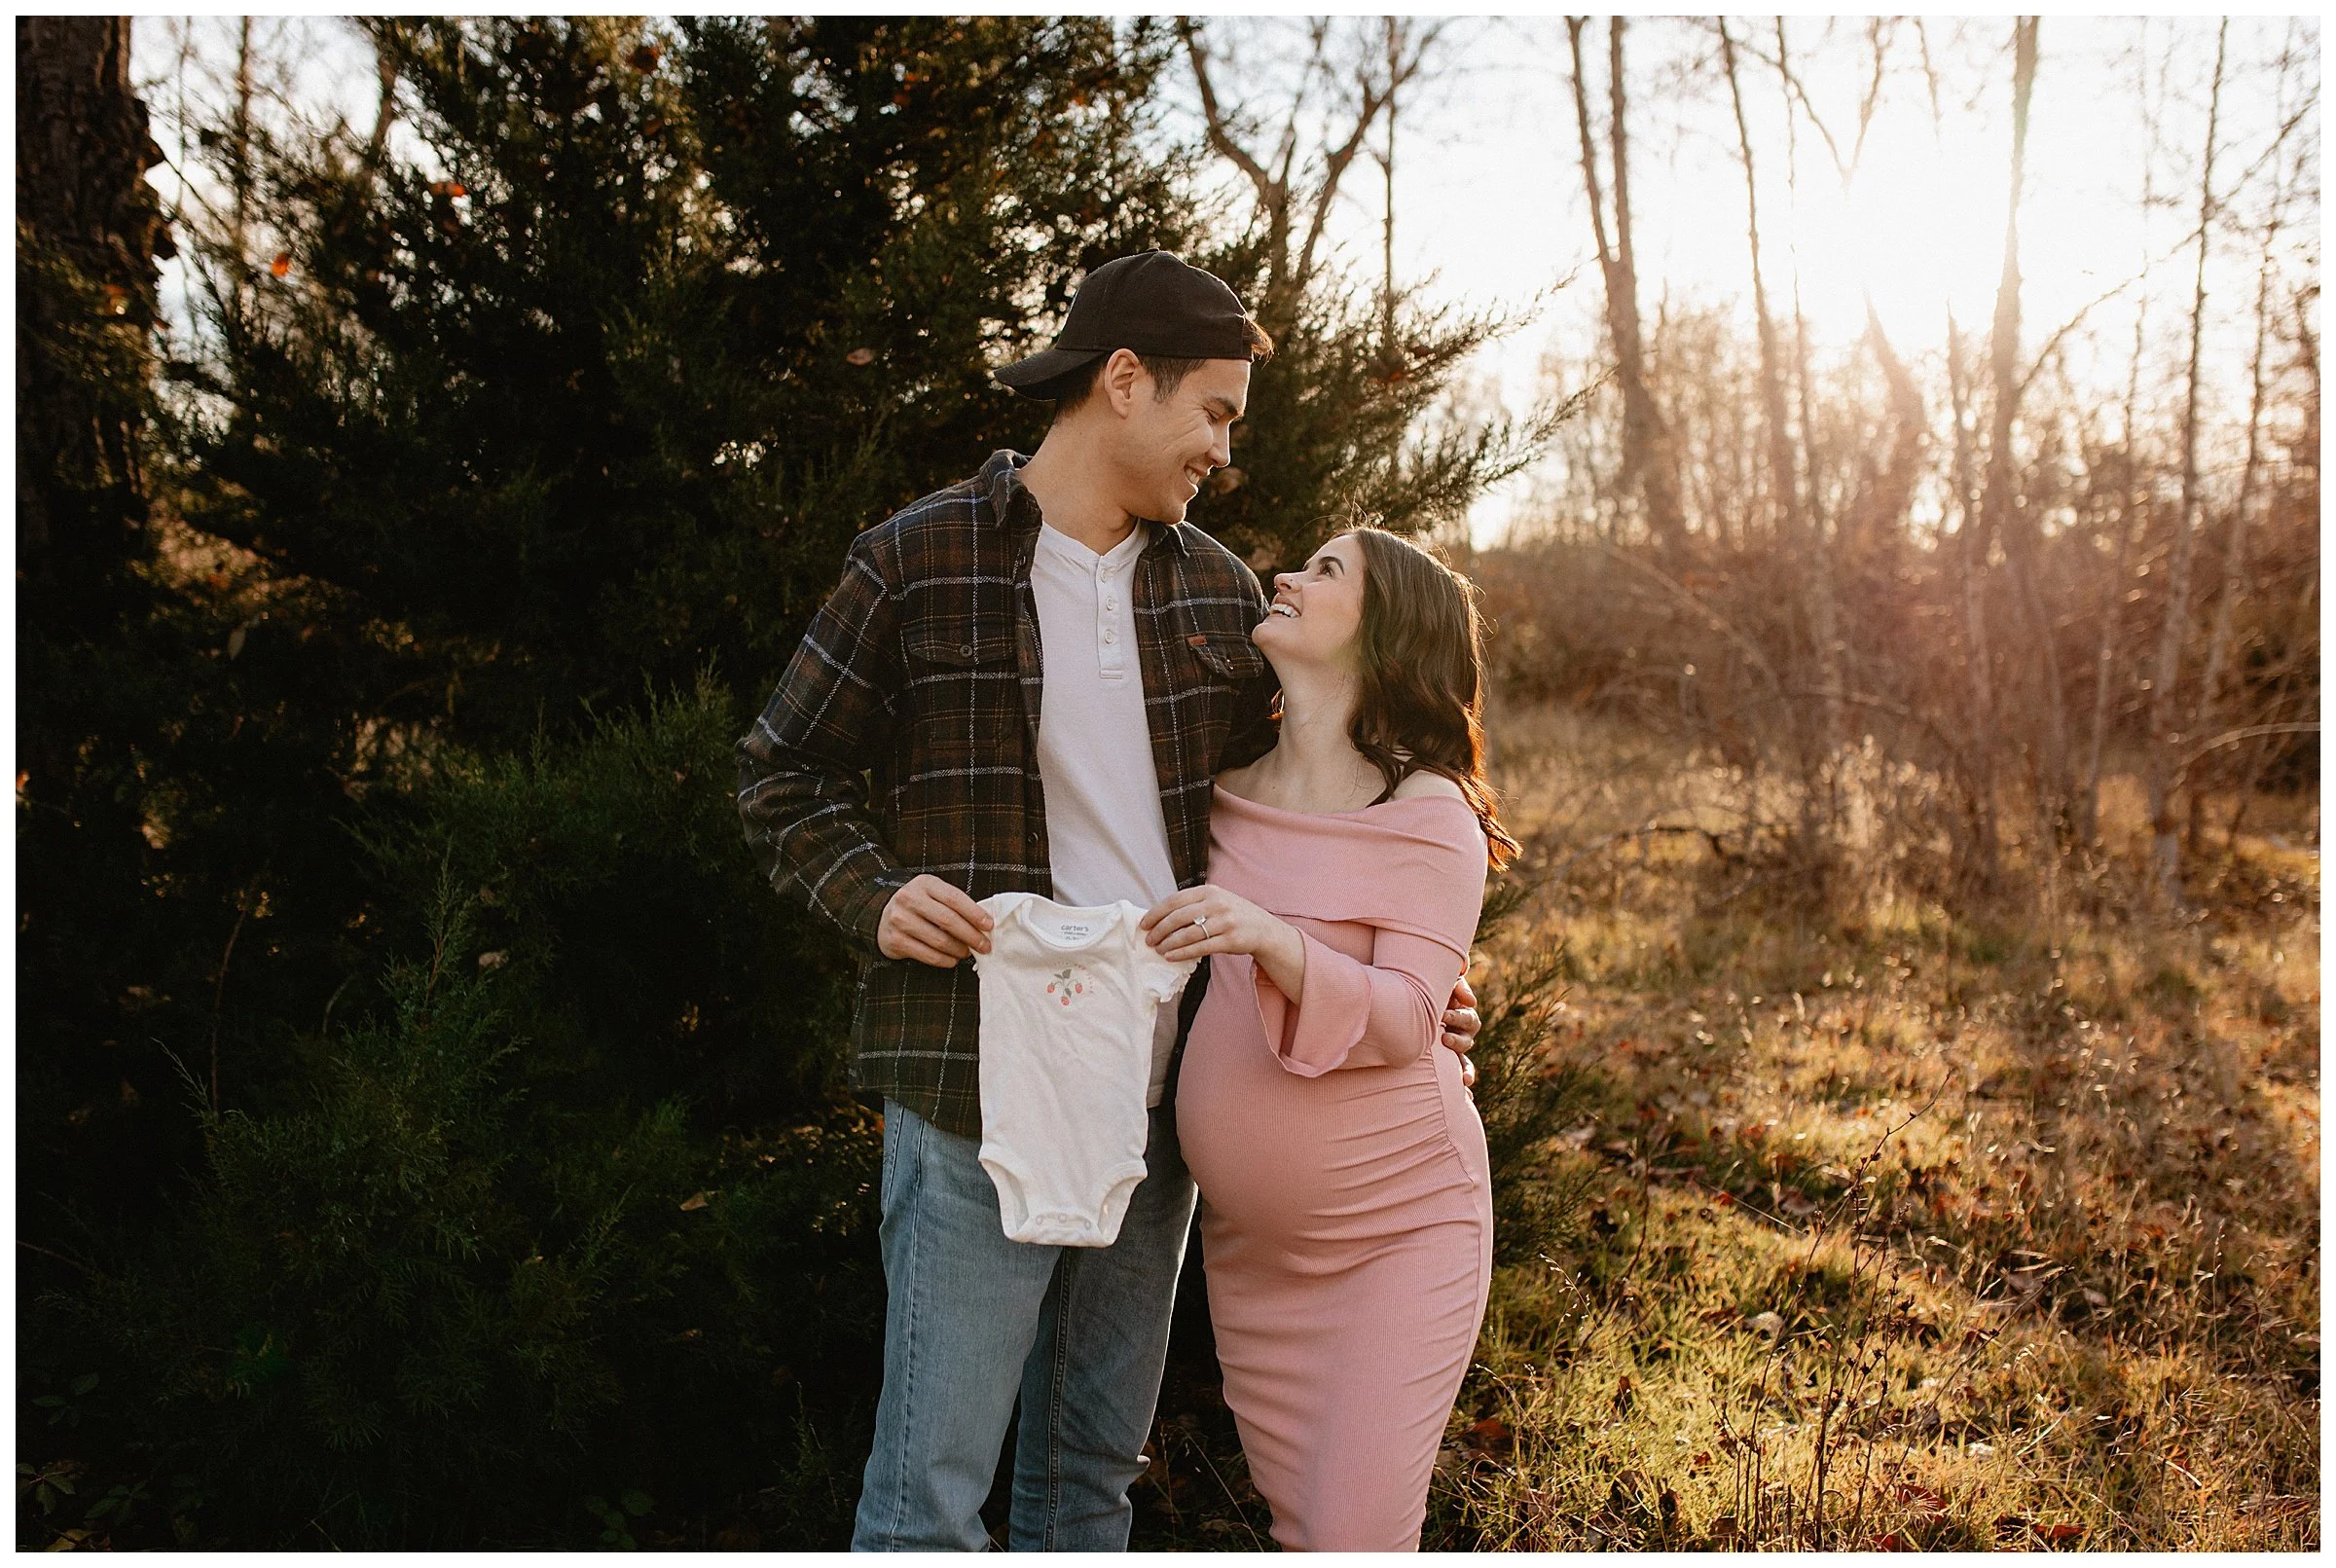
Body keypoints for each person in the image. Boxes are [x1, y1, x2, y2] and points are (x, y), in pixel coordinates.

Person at [734, 251, 1479, 1552]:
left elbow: (1311, 812)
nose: (1224, 451)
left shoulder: (1218, 597)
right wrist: (872, 890)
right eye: (1216, 413)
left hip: (1162, 1104)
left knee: (1086, 1487)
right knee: (928, 1496)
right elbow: (779, 771)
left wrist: (1411, 986)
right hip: (977, 1088)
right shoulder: (917, 560)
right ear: (1124, 381)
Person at [1141, 525, 1518, 1550]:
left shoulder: (1429, 813)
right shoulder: (1219, 799)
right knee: (1307, 1530)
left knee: (1354, 1538)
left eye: (1325, 571)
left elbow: (1408, 1019)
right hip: (1254, 1252)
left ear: (1384, 629)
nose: (1288, 579)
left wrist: (1271, 940)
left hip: (1396, 1232)